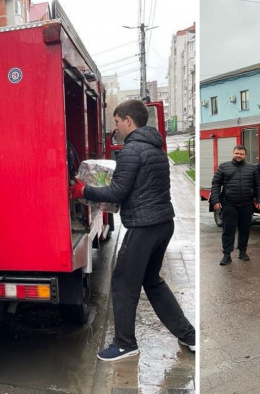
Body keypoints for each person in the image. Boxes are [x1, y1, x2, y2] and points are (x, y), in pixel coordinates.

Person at [70, 99, 196, 361]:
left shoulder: (131, 150)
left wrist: (84, 191)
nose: (115, 128)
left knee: (122, 283)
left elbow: (118, 192)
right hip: (163, 224)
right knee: (152, 281)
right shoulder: (156, 147)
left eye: (116, 122)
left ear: (128, 120)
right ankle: (189, 335)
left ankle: (125, 343)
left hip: (144, 227)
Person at [209, 145, 260, 265]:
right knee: (228, 230)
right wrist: (216, 201)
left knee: (245, 229)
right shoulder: (224, 166)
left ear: (245, 156)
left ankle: (242, 252)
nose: (239, 156)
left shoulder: (252, 168)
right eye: (237, 153)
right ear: (233, 153)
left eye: (241, 154)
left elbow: (258, 185)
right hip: (229, 204)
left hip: (247, 204)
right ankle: (227, 254)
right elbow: (215, 184)